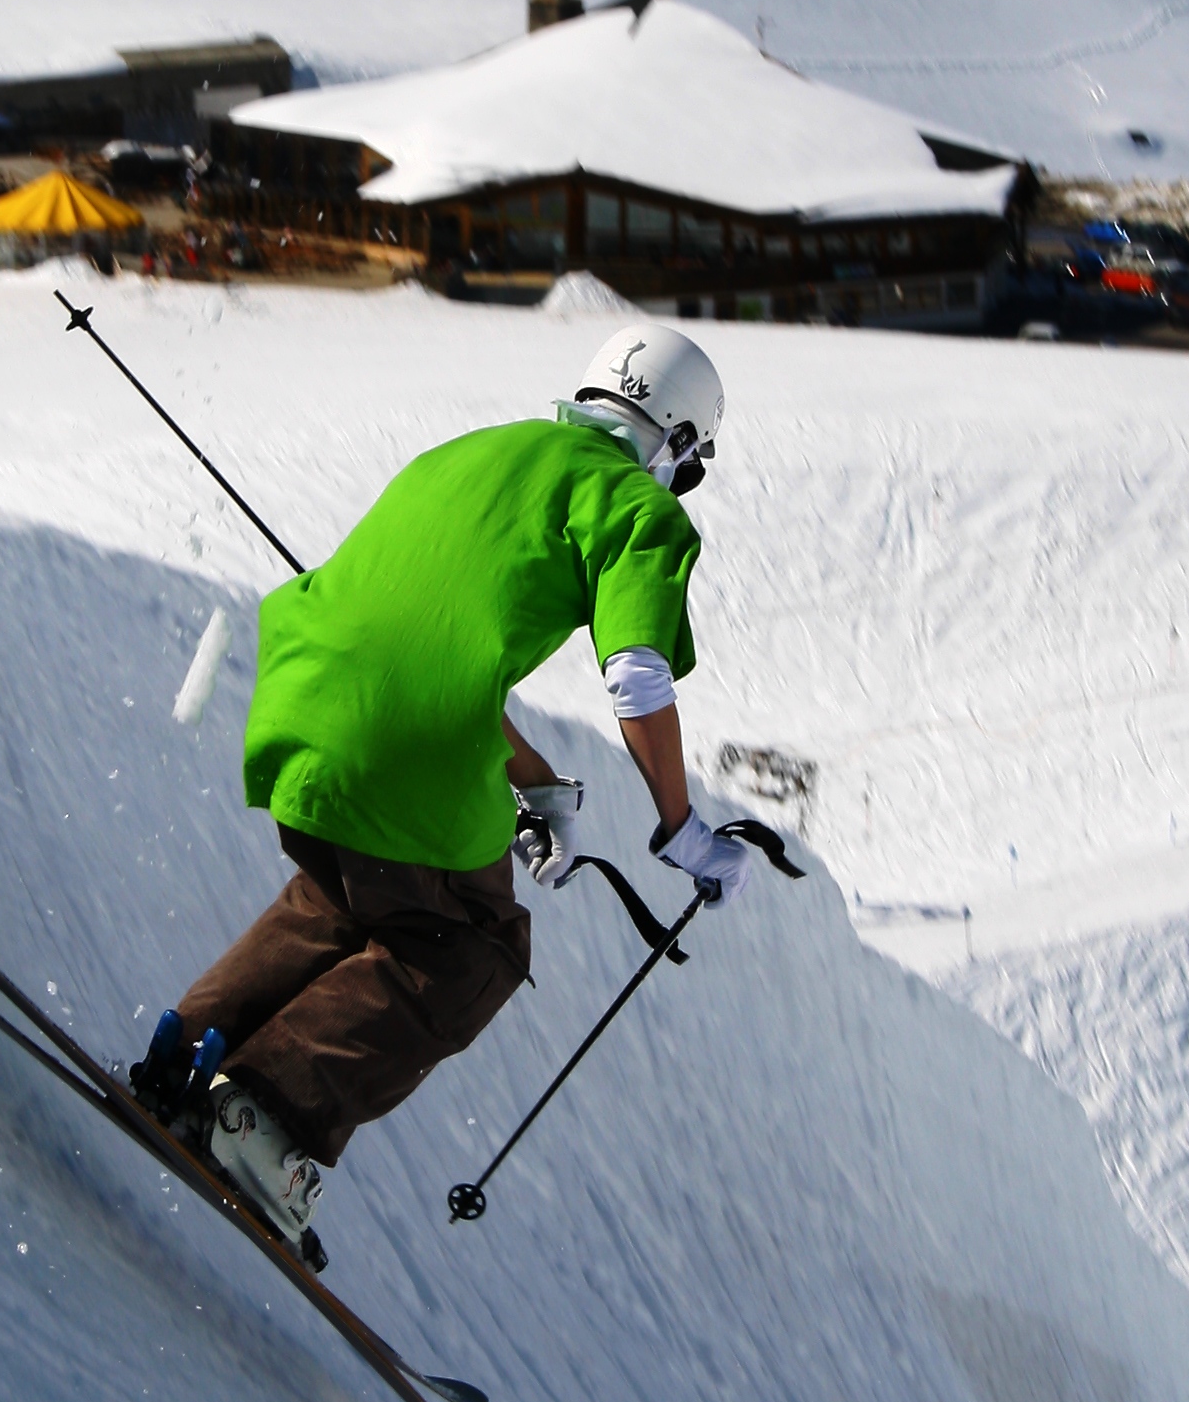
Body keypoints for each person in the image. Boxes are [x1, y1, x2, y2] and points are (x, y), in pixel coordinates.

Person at [132, 323, 757, 1256]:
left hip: (305, 698)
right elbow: (635, 675)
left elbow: (421, 645)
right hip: (406, 741)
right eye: (691, 467)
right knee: (473, 950)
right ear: (679, 443)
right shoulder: (634, 506)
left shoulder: (473, 452)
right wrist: (682, 831)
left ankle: (185, 1056)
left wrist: (532, 784)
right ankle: (258, 1121)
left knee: (344, 898)